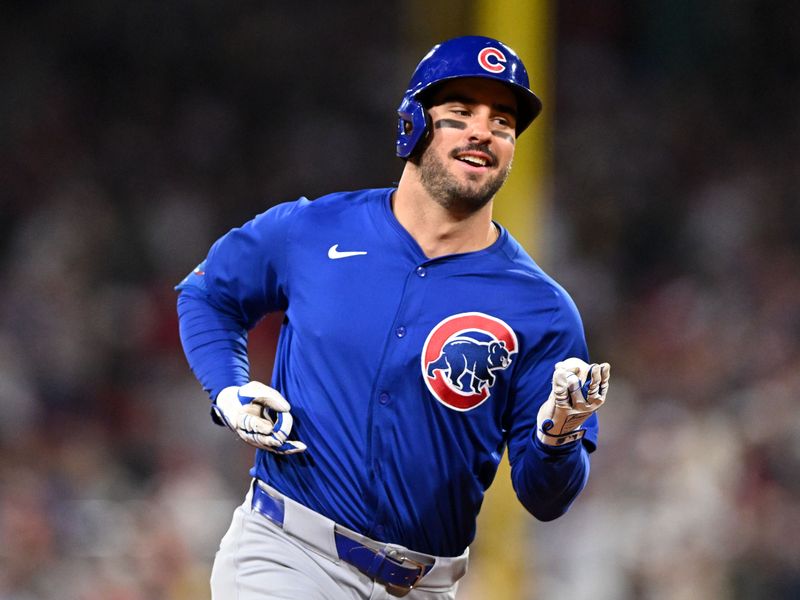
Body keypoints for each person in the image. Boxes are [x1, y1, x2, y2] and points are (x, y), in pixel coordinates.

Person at [176, 35, 611, 600]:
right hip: (288, 556)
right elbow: (207, 296)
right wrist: (228, 389)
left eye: (502, 121)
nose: (483, 130)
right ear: (413, 124)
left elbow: (545, 500)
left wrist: (559, 433)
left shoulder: (541, 309)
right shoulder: (313, 230)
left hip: (426, 586)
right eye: (459, 113)